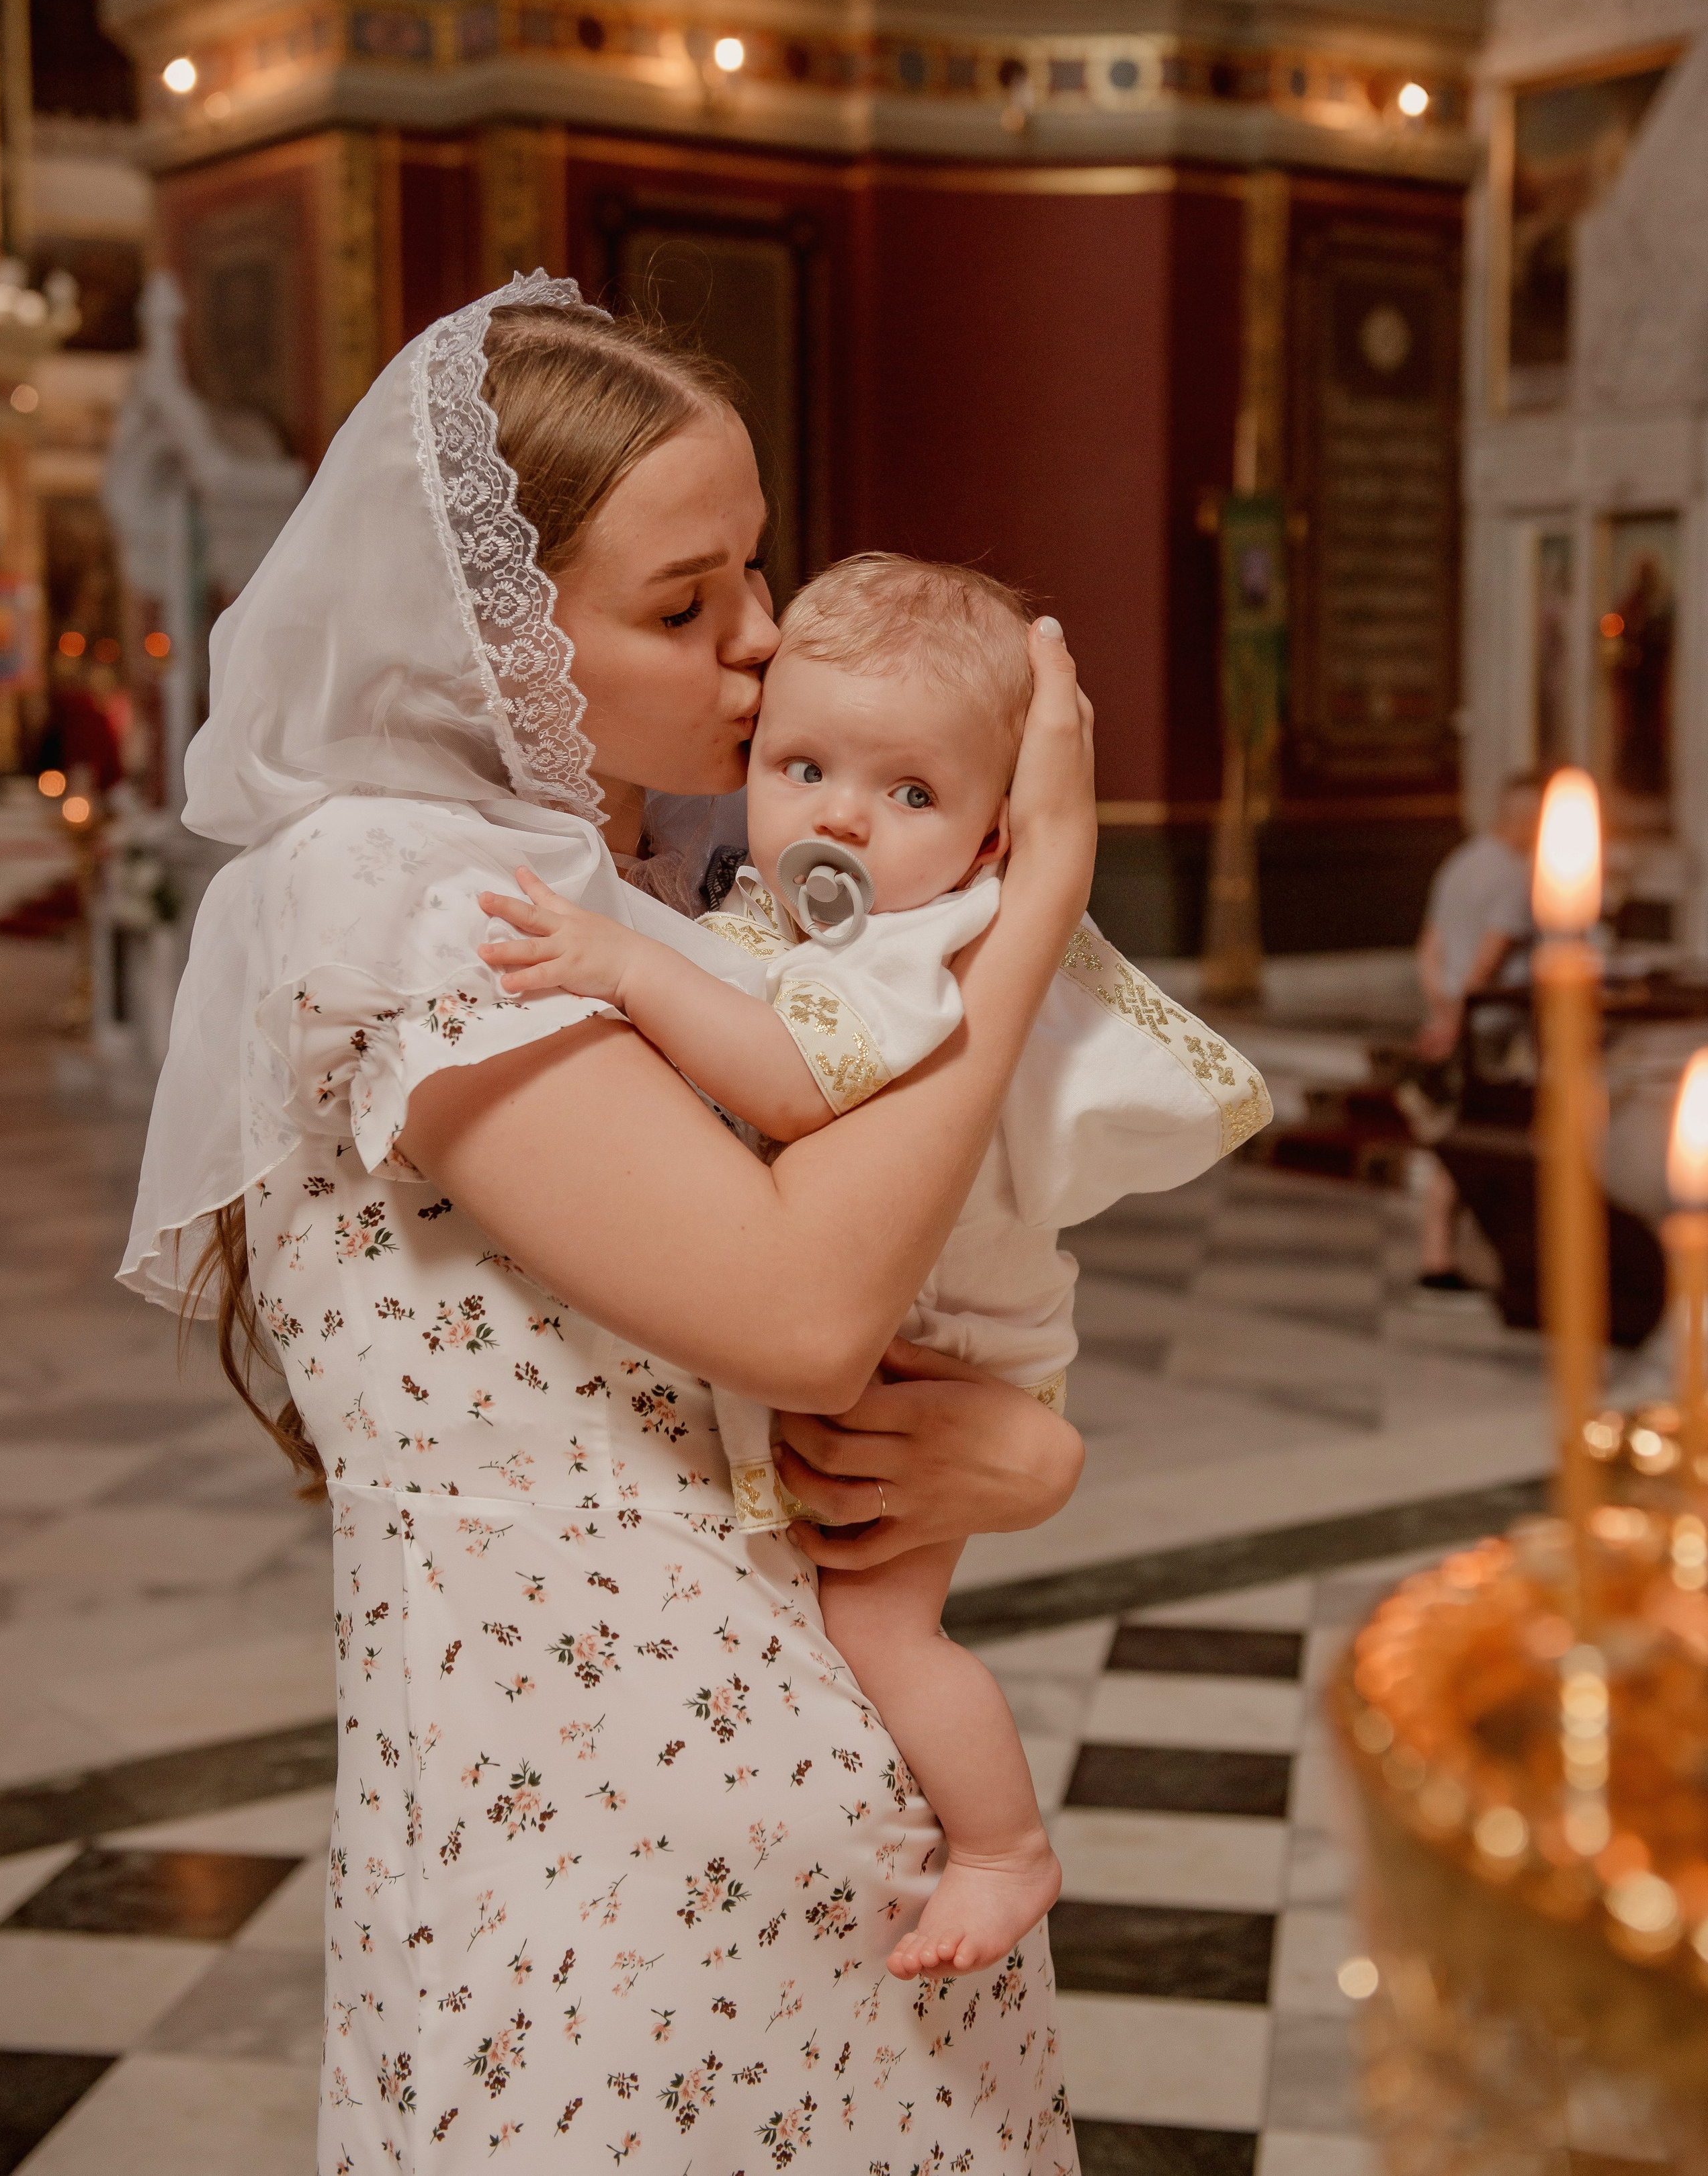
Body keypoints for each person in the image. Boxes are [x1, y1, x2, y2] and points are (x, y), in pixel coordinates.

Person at [120, 275, 1099, 2171]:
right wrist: (1037, 886)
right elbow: (807, 1307)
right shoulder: (397, 897)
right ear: (491, 634)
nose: (763, 644)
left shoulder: (657, 891)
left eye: (757, 570)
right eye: (683, 602)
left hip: (845, 1829)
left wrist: (1021, 1452)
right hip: (596, 1871)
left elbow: (865, 1321)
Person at [475, 552, 1270, 1987]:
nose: (839, 814)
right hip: (890, 1342)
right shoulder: (784, 920)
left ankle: (1002, 1846)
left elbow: (789, 1086)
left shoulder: (916, 946)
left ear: (987, 844)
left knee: (882, 1627)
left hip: (946, 1348)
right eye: (802, 765)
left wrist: (625, 966)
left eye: (910, 794)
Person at [1412, 772, 1541, 1290]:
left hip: (1457, 1020)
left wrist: (1440, 1009)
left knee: (1460, 1132)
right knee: (1480, 1138)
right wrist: (1457, 1019)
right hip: (1492, 1031)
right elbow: (1487, 964)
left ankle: (1444, 1253)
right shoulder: (1514, 877)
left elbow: (1429, 949)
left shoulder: (1460, 862)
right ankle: (1440, 1257)